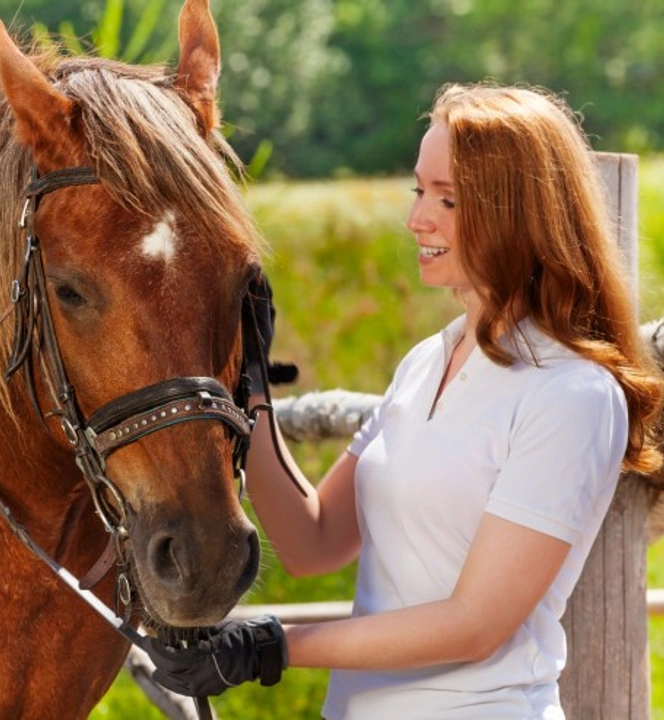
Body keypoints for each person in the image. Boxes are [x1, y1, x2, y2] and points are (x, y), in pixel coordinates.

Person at [144, 81, 664, 718]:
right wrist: (248, 390)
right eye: (420, 191)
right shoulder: (427, 361)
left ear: (520, 211)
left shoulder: (571, 394)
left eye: (448, 199)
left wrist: (272, 648)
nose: (418, 218)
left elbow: (475, 624)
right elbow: (314, 541)